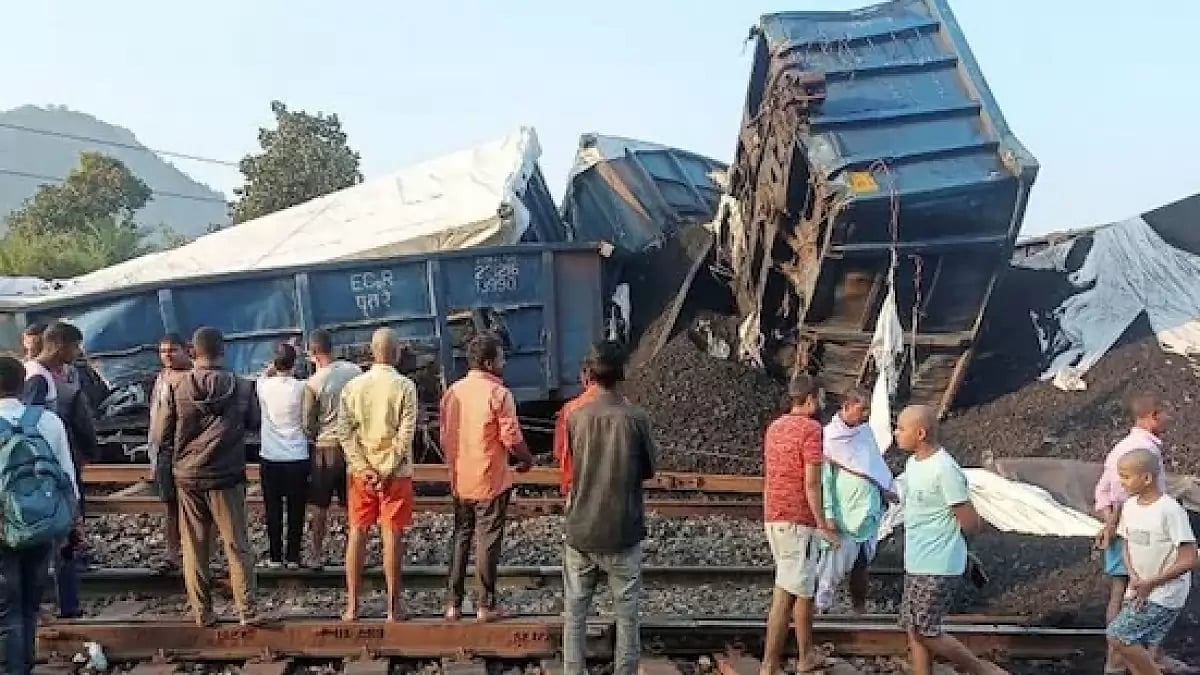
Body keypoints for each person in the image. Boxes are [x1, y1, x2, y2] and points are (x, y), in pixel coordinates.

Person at [154, 326, 261, 627]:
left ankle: (203, 612)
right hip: (227, 475)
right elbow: (254, 423)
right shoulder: (241, 386)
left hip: (188, 477)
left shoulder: (176, 387)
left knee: (194, 546)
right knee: (237, 545)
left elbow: (162, 434)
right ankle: (247, 610)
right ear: (222, 351)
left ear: (192, 351)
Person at [560, 341, 655, 675]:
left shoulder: (576, 417)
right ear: (621, 374)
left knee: (575, 612)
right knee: (627, 615)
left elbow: (572, 468)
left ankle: (573, 670)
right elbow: (648, 470)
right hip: (623, 528)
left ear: (589, 374)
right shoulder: (636, 418)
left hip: (581, 527)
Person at [894, 405, 1007, 675]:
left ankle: (981, 670)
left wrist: (961, 551)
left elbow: (969, 520)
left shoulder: (945, 469)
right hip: (917, 560)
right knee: (914, 628)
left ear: (920, 433)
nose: (896, 433)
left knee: (927, 630)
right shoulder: (914, 464)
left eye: (900, 428)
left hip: (939, 563)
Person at [440, 333, 535, 622]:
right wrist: (526, 459)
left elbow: (444, 437)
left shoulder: (452, 393)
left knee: (461, 537)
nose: (505, 362)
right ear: (489, 363)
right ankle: (486, 604)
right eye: (501, 358)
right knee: (487, 540)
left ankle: (453, 604)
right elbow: (511, 437)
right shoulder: (499, 394)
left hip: (461, 478)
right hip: (490, 480)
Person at [0, 356, 78, 675]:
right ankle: (25, 666)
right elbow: (67, 478)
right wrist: (72, 524)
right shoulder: (47, 421)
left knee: (6, 611)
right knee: (31, 604)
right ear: (23, 385)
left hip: (3, 527)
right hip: (42, 525)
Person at [337, 328, 418, 622]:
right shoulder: (405, 386)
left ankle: (352, 606)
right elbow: (406, 433)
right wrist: (385, 468)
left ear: (372, 351)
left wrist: (363, 467)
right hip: (395, 474)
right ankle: (394, 608)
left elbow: (344, 432)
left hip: (361, 474)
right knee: (392, 534)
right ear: (395, 352)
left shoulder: (353, 387)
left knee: (357, 533)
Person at [760, 374, 838, 675]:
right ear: (810, 399)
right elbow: (812, 482)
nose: (822, 403)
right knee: (785, 593)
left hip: (775, 516)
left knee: (801, 588)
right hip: (797, 521)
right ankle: (769, 665)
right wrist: (823, 524)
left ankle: (806, 656)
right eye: (819, 397)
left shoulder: (775, 427)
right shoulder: (811, 429)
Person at [1094, 393, 1177, 674]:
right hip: (1141, 531)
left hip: (1124, 528)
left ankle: (1127, 657)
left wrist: (1110, 524)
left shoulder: (1122, 446)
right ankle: (1133, 660)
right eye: (1165, 413)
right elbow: (1121, 494)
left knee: (1122, 592)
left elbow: (1102, 492)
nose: (1169, 418)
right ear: (1153, 415)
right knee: (1145, 592)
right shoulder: (1143, 451)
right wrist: (1118, 523)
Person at [22, 321, 97, 620]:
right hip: (47, 472)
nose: (78, 352)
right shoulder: (38, 378)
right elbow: (29, 427)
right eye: (75, 346)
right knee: (58, 538)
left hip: (51, 468)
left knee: (60, 540)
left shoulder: (42, 375)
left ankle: (65, 604)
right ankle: (58, 606)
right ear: (61, 345)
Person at [1106, 449, 1197, 675]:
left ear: (1146, 478)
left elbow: (1190, 558)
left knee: (1119, 636)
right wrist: (1135, 577)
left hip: (1165, 592)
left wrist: (1152, 583)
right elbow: (1127, 544)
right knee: (1131, 644)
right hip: (1139, 588)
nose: (1121, 481)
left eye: (1126, 476)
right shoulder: (1129, 506)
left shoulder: (1170, 510)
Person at [816, 388, 896, 613]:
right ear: (846, 406)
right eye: (861, 410)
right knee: (832, 566)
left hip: (868, 512)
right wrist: (829, 514)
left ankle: (859, 609)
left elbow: (873, 465)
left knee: (862, 564)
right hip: (845, 513)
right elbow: (826, 480)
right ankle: (821, 609)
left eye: (867, 410)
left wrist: (885, 490)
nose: (865, 415)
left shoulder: (865, 432)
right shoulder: (830, 437)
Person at [302, 328, 360, 570]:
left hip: (325, 449)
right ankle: (355, 555)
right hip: (353, 448)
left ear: (314, 354)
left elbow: (307, 423)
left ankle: (316, 555)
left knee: (320, 505)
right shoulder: (355, 372)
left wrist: (314, 436)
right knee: (353, 506)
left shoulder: (313, 383)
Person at [256, 342, 310, 570]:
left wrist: (274, 363)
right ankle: (294, 557)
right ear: (294, 364)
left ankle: (276, 557)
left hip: (270, 456)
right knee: (296, 509)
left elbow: (264, 373)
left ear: (274, 363)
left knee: (273, 509)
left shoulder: (263, 386)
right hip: (297, 456)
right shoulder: (301, 387)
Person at [147, 333, 193, 571]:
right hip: (164, 452)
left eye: (172, 350)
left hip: (186, 452)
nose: (167, 355)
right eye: (163, 351)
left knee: (193, 507)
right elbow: (156, 417)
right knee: (171, 506)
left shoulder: (193, 378)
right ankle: (173, 554)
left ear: (188, 350)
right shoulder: (162, 377)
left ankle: (196, 554)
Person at [552, 366, 600, 496]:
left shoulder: (570, 409)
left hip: (579, 484)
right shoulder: (626, 408)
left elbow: (560, 451)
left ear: (585, 377)